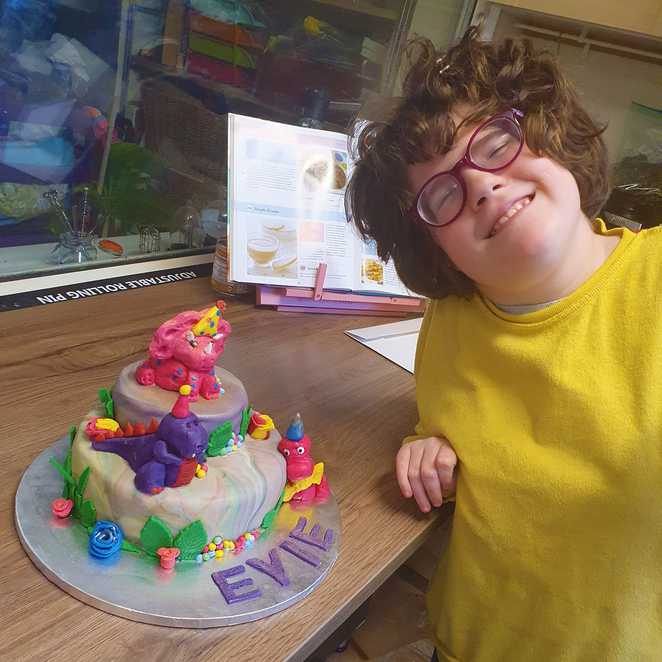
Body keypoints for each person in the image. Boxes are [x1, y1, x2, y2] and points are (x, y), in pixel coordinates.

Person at [346, 26, 662, 662]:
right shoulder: (452, 318)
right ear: (435, 250)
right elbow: (475, 437)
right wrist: (428, 447)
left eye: (494, 141)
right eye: (442, 195)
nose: (483, 186)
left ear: (549, 133)